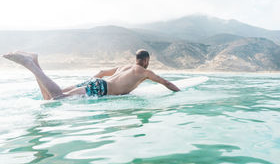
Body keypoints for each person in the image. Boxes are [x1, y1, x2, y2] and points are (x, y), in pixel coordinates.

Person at [2, 50, 180, 100]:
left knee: (48, 98)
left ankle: (35, 62)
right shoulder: (145, 72)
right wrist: (180, 92)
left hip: (96, 81)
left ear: (136, 58)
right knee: (58, 97)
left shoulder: (124, 66)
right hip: (101, 88)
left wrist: (90, 83)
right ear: (147, 60)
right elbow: (165, 82)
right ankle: (30, 64)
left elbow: (102, 72)